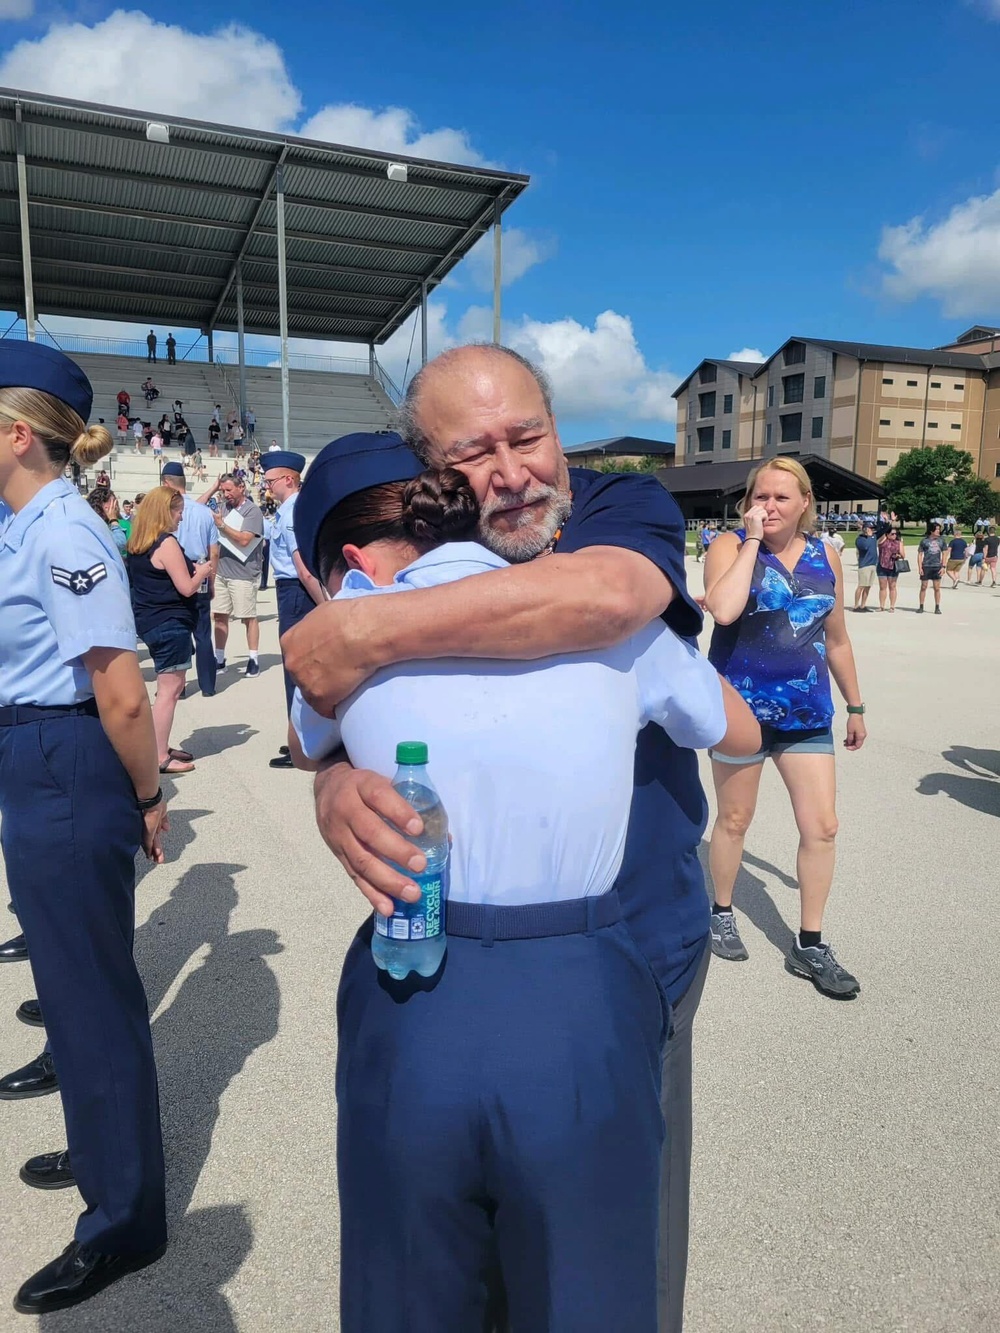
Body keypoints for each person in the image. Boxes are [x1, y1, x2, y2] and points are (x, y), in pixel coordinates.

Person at [283, 345, 713, 1333]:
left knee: (604, 1275)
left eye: (528, 435)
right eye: (473, 452)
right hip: (439, 951)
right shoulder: (421, 547)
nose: (513, 471)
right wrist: (337, 785)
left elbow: (605, 598)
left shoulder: (615, 505)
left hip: (628, 937)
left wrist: (363, 631)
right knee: (437, 1273)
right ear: (430, 470)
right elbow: (320, 727)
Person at [0, 340, 168, 1313]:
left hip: (70, 760)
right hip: (36, 754)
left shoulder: (65, 533)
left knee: (92, 995)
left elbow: (120, 691)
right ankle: (105, 1145)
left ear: (18, 434)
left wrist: (149, 799)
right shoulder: (26, 520)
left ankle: (126, 1221)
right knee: (67, 986)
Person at [702, 457, 865, 998]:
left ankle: (810, 943)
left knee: (823, 826)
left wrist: (857, 705)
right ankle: (720, 911)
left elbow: (836, 638)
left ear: (804, 505)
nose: (767, 507)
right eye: (759, 496)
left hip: (806, 712)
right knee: (734, 819)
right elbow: (723, 611)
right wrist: (751, 541)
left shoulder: (827, 556)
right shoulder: (727, 545)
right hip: (739, 710)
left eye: (780, 499)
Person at [127, 487, 211, 774]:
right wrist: (202, 571)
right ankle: (159, 755)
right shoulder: (166, 543)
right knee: (170, 691)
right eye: (178, 512)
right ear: (165, 511)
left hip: (151, 620)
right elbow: (187, 587)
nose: (181, 518)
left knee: (168, 689)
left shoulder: (139, 542)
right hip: (169, 622)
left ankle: (156, 744)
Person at [262, 450, 323, 767]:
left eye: (270, 480)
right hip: (291, 591)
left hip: (296, 592)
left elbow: (303, 568)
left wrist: (326, 606)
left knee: (296, 668)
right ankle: (300, 738)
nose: (267, 486)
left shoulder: (290, 512)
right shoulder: (288, 509)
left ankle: (303, 743)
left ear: (288, 478)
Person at [161, 460, 219, 698]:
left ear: (166, 483)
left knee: (179, 630)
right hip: (201, 570)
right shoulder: (204, 512)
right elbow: (214, 551)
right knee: (203, 632)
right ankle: (207, 685)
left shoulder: (167, 511)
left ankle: (179, 686)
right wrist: (212, 580)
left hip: (174, 572)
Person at [201, 473, 264, 676]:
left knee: (248, 617)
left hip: (244, 573)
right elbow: (196, 507)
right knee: (219, 616)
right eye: (223, 490)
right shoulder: (222, 507)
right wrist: (212, 488)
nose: (225, 494)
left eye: (229, 490)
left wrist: (221, 525)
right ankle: (220, 658)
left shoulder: (252, 511)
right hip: (221, 572)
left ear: (241, 488)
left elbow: (245, 540)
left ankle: (253, 658)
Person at [86, 485, 128, 559]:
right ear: (105, 506)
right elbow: (120, 543)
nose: (116, 506)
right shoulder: (97, 525)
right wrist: (113, 520)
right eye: (114, 502)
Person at [917, 522, 945, 613]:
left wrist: (943, 566)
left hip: (937, 566)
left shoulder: (941, 541)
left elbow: (945, 554)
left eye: (939, 529)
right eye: (937, 529)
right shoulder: (924, 541)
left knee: (937, 588)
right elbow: (920, 554)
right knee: (924, 586)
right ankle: (921, 606)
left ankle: (937, 607)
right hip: (926, 566)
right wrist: (920, 567)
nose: (938, 531)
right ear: (931, 530)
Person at [876, 525, 904, 612]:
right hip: (882, 565)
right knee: (882, 587)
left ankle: (892, 606)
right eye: (892, 534)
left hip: (893, 566)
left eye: (895, 534)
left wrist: (898, 555)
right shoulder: (883, 541)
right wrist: (889, 522)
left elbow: (903, 555)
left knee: (892, 586)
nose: (894, 535)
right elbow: (882, 532)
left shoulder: (899, 542)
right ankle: (882, 606)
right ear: (887, 534)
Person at [854, 520, 878, 610]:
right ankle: (856, 605)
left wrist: (888, 521)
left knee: (868, 586)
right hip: (864, 565)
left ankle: (863, 605)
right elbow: (865, 547)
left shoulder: (874, 537)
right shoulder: (860, 539)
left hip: (873, 564)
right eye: (870, 528)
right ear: (865, 529)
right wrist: (869, 536)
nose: (872, 530)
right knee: (861, 585)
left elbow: (884, 530)